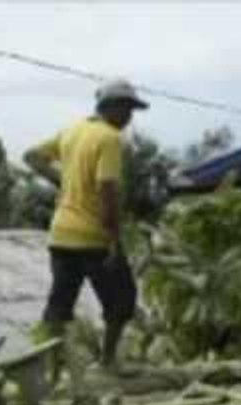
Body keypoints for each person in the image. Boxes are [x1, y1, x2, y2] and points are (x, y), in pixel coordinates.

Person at [23, 78, 148, 370]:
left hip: (61, 235)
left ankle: (50, 370)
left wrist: (63, 181)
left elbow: (32, 157)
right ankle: (107, 362)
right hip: (93, 237)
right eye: (127, 108)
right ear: (110, 107)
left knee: (59, 305)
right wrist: (114, 239)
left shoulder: (72, 131)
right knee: (122, 300)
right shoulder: (109, 138)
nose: (130, 117)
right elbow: (107, 190)